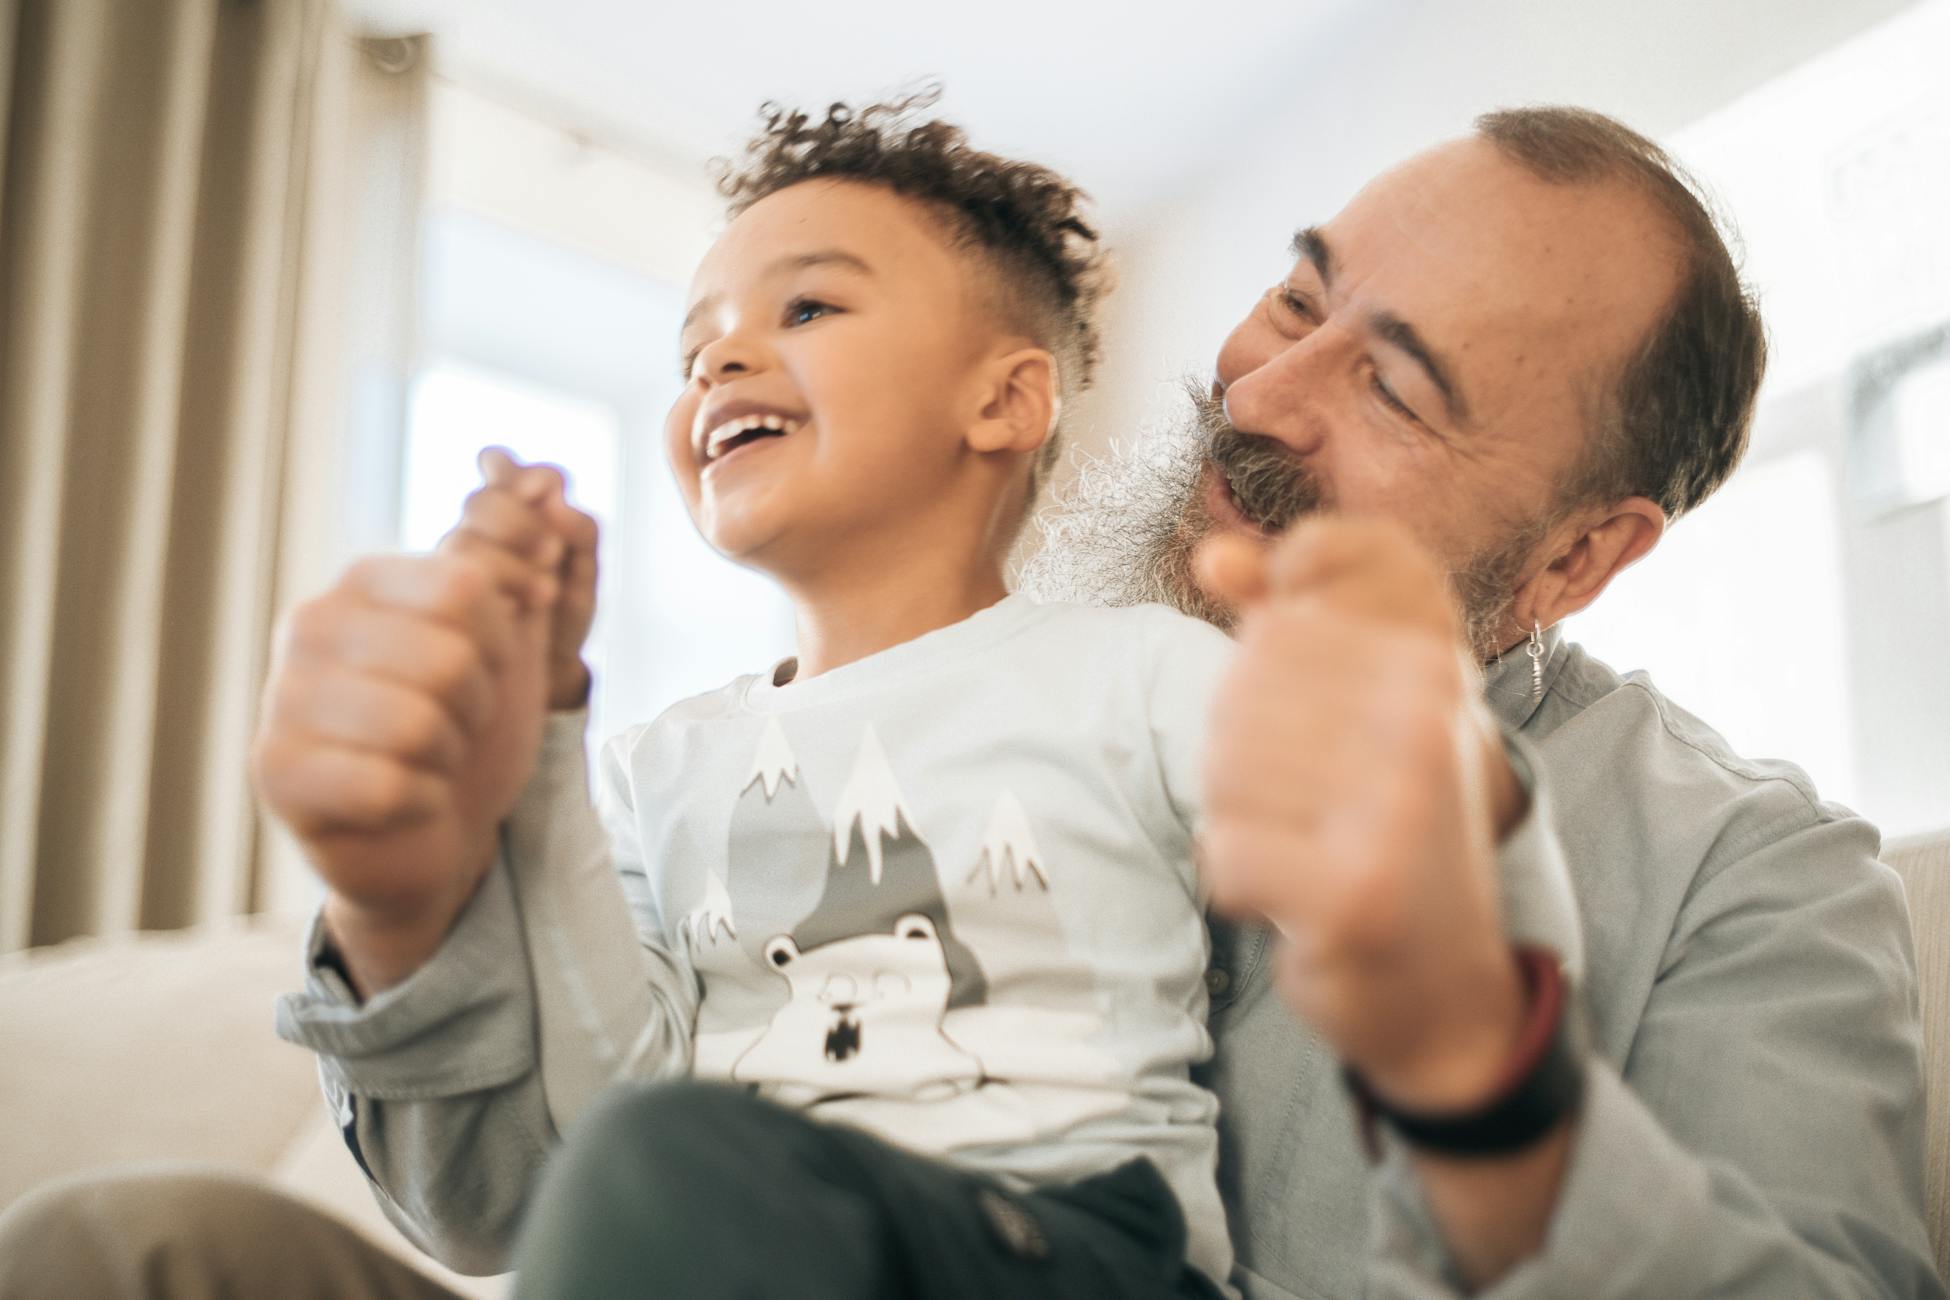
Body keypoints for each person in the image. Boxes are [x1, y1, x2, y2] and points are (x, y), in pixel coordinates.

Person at [0, 104, 1928, 1300]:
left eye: (1395, 387)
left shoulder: (1739, 877)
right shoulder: (837, 719)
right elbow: (519, 1205)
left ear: (1578, 558)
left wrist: (1487, 1106)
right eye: (1292, 297)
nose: (1255, 399)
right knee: (126, 1253)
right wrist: (417, 904)